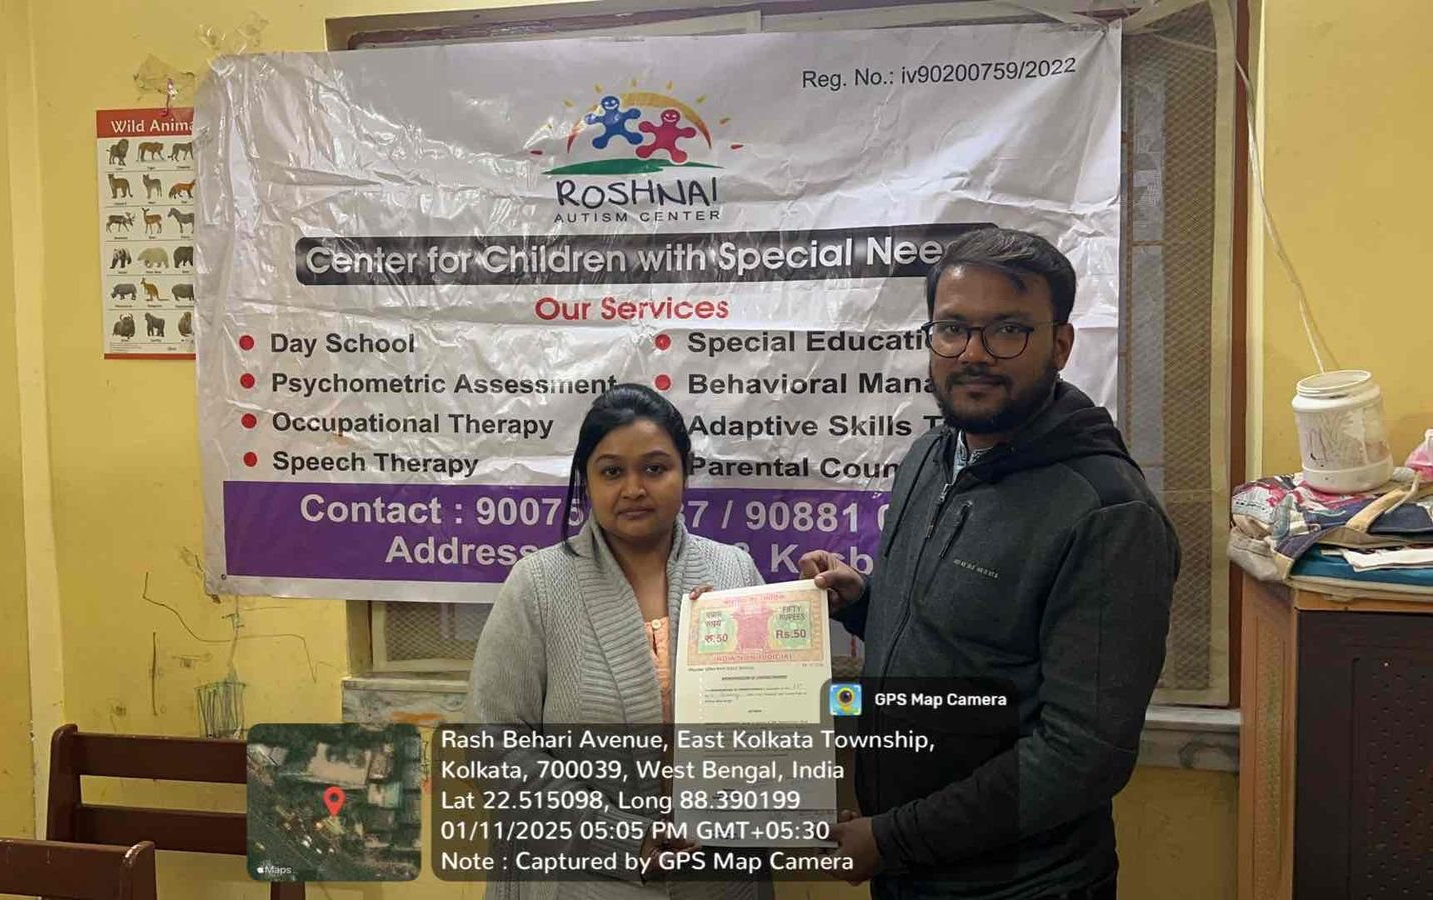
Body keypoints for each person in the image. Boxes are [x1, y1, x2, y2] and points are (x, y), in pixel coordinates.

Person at [803, 227, 1179, 899]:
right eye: (952, 329)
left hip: (1020, 886)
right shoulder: (931, 456)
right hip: (910, 871)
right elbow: (971, 631)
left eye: (1007, 330)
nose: (973, 354)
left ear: (1060, 345)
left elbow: (1082, 756)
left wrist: (890, 839)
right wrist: (864, 600)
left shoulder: (1108, 513)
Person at [468, 383, 770, 900]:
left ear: (684, 472)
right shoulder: (539, 585)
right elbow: (493, 745)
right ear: (586, 480)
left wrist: (802, 804)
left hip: (719, 877)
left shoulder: (733, 572)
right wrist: (623, 838)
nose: (634, 488)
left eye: (655, 468)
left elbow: (778, 722)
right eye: (611, 472)